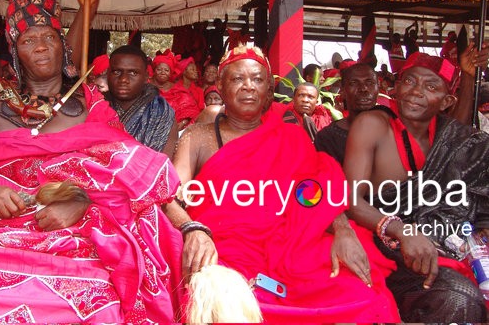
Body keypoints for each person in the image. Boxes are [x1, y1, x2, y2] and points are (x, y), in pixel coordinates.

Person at [0, 0, 183, 323]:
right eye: (27, 40)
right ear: (15, 51)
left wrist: (84, 203)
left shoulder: (90, 106)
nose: (39, 46)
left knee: (100, 308)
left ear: (63, 44)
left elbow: (127, 176)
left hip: (74, 235)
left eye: (48, 37)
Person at [163, 45, 399, 322]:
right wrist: (192, 229)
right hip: (224, 247)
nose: (248, 87)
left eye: (258, 80)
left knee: (361, 293)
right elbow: (170, 197)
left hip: (292, 245)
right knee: (227, 301)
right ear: (220, 85)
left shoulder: (291, 137)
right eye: (238, 79)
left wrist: (343, 229)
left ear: (269, 90)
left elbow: (313, 189)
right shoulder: (197, 137)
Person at [343, 52, 489, 322]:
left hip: (442, 247)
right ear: (396, 87)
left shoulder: (451, 137)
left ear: (446, 102)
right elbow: (351, 200)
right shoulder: (372, 125)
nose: (416, 92)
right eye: (409, 81)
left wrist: (468, 77)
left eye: (430, 87)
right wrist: (402, 229)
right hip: (384, 252)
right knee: (458, 297)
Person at [105, 45, 178, 158]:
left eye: (133, 73)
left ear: (146, 77)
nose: (123, 79)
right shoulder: (95, 105)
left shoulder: (162, 114)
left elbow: (162, 163)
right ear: (107, 74)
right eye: (117, 72)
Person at [315, 63, 378, 165]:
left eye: (370, 83)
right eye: (354, 83)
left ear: (378, 88)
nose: (364, 89)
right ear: (343, 91)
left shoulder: (394, 131)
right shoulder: (327, 138)